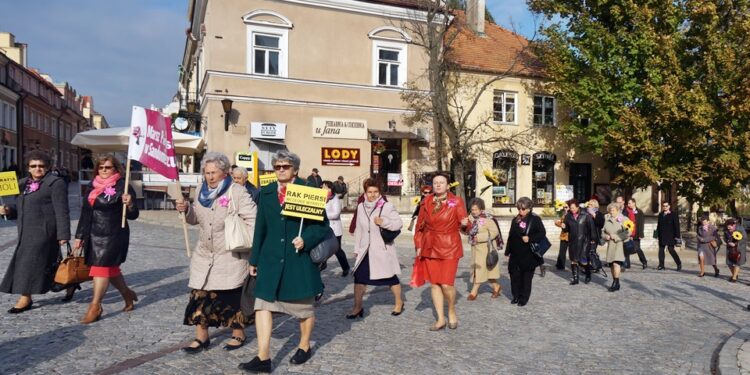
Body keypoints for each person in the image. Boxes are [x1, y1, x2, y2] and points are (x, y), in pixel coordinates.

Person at [239, 150, 329, 373]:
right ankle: (263, 357)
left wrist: (305, 239)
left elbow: (321, 226)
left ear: (295, 169)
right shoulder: (267, 192)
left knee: (304, 309)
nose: (280, 170)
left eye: (285, 166)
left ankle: (304, 345)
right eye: (277, 166)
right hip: (270, 259)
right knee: (262, 306)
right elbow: (261, 227)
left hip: (297, 260)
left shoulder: (307, 191)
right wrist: (255, 258)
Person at [176, 152, 256, 353]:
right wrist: (186, 210)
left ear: (225, 172)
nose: (210, 177)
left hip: (230, 255)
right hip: (204, 254)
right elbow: (195, 219)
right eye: (206, 172)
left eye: (214, 173)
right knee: (199, 295)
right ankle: (201, 338)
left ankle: (238, 332)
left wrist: (250, 246)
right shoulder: (201, 189)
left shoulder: (236, 191)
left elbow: (253, 219)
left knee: (230, 297)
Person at [0, 150, 70, 313]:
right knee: (46, 263)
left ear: (47, 167)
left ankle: (26, 297)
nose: (38, 168)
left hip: (45, 230)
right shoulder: (23, 184)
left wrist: (63, 234)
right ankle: (69, 283)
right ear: (28, 168)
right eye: (34, 166)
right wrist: (8, 210)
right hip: (25, 230)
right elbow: (20, 209)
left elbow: (62, 210)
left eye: (41, 165)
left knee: (29, 264)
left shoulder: (55, 183)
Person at [75, 155, 140, 324]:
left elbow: (133, 215)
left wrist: (130, 203)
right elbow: (85, 212)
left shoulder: (122, 186)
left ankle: (95, 306)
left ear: (116, 169)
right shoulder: (92, 185)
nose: (104, 170)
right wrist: (79, 236)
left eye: (108, 167)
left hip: (113, 234)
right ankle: (127, 294)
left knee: (101, 270)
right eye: (101, 167)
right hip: (93, 233)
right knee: (111, 270)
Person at [413, 172, 467, 330]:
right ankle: (440, 319)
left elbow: (465, 227)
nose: (437, 185)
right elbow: (419, 226)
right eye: (435, 182)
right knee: (435, 284)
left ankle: (451, 310)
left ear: (447, 185)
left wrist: (464, 224)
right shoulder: (426, 201)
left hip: (449, 246)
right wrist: (418, 245)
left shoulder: (456, 201)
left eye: (441, 182)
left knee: (446, 284)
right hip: (430, 246)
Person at [347, 178, 404, 319]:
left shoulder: (386, 206)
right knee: (359, 279)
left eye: (375, 191)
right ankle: (357, 307)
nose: (372, 195)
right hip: (365, 250)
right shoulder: (361, 207)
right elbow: (360, 229)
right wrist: (357, 249)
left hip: (381, 249)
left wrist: (384, 222)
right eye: (369, 192)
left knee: (390, 278)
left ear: (380, 192)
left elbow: (398, 224)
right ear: (365, 192)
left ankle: (399, 302)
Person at [504, 197, 545, 306]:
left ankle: (523, 298)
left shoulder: (535, 219)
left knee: (526, 278)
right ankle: (515, 296)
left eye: (523, 209)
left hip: (528, 254)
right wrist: (507, 252)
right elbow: (511, 235)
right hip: (515, 253)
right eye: (519, 208)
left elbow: (542, 233)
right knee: (514, 276)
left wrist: (530, 238)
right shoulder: (516, 219)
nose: (520, 211)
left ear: (529, 208)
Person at [462, 197, 502, 300]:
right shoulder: (470, 218)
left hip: (486, 248)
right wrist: (463, 226)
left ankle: (473, 292)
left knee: (479, 270)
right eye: (472, 209)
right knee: (487, 271)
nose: (474, 211)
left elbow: (494, 232)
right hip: (475, 248)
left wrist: (479, 237)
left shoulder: (488, 218)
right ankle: (496, 287)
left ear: (481, 209)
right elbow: (466, 231)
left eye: (476, 209)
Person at [562, 199, 597, 285]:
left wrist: (593, 238)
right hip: (573, 241)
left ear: (578, 207)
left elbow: (591, 228)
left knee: (583, 261)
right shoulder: (568, 216)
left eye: (573, 208)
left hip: (584, 241)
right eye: (570, 208)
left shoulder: (586, 215)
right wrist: (563, 227)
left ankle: (588, 274)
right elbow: (566, 229)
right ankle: (575, 278)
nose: (572, 209)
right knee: (574, 260)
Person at [321, 180, 350, 277]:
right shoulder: (321, 198)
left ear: (330, 188)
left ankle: (345, 267)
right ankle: (322, 263)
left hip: (334, 229)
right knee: (321, 248)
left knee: (337, 250)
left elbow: (336, 214)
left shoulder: (335, 199)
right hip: (323, 228)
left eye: (325, 187)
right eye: (322, 187)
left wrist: (322, 215)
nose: (323, 189)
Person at [601, 203, 628, 292]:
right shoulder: (607, 219)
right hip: (611, 245)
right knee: (612, 264)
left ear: (618, 210)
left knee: (616, 263)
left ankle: (615, 282)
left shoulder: (624, 219)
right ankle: (616, 281)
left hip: (620, 244)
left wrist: (616, 237)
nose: (611, 212)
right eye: (610, 210)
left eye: (613, 210)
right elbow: (603, 232)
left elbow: (628, 232)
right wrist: (606, 237)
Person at [656, 201, 682, 271]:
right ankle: (661, 265)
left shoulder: (673, 214)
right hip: (662, 235)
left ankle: (678, 263)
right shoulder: (661, 214)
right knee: (661, 250)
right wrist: (657, 235)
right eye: (664, 206)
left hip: (671, 235)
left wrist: (677, 236)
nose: (665, 207)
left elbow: (677, 226)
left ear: (669, 206)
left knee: (671, 250)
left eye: (666, 206)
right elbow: (658, 225)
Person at [624, 198, 648, 270]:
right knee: (626, 248)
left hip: (636, 233)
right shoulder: (626, 211)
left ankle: (644, 262)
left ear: (634, 203)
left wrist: (641, 234)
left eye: (630, 203)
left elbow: (641, 224)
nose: (628, 205)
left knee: (637, 249)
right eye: (628, 203)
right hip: (627, 232)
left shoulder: (639, 212)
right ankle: (627, 263)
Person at [723, 218, 747, 283]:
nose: (728, 229)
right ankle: (735, 275)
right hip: (730, 249)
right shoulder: (726, 230)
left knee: (737, 263)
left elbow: (744, 239)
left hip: (739, 248)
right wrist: (728, 242)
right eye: (727, 227)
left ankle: (734, 278)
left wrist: (735, 243)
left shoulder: (740, 229)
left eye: (729, 227)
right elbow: (724, 238)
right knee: (729, 263)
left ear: (734, 225)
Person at [554, 205, 570, 270]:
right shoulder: (564, 214)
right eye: (564, 207)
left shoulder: (572, 215)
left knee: (573, 252)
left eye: (566, 207)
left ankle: (577, 265)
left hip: (571, 235)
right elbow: (561, 223)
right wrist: (557, 223)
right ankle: (560, 265)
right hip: (564, 235)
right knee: (562, 251)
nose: (565, 208)